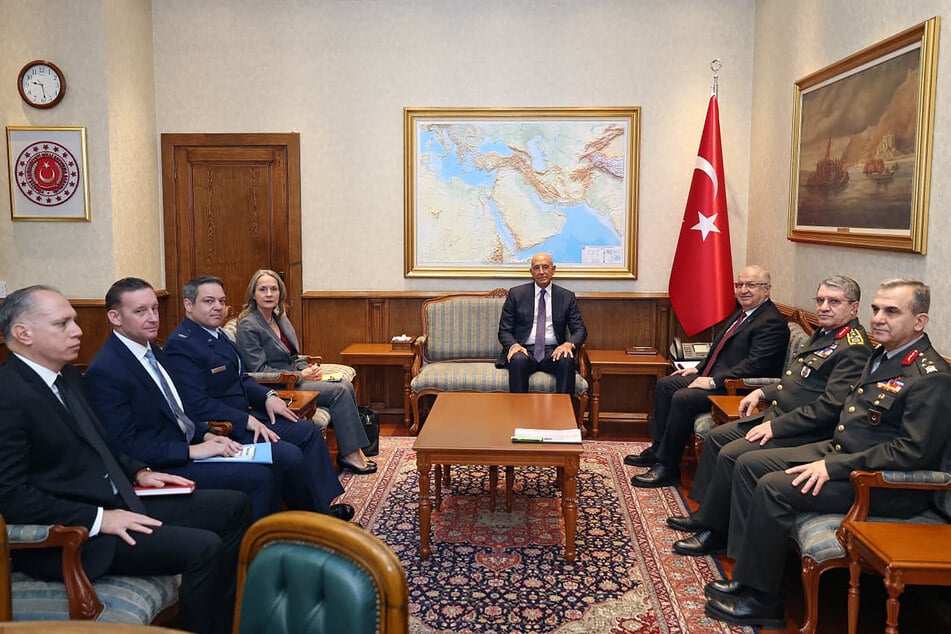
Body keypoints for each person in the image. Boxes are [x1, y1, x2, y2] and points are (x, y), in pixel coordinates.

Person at [0, 285, 252, 634]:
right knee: (204, 547)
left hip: (121, 497)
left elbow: (100, 443)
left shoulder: (67, 376)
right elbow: (12, 497)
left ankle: (226, 618)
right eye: (63, 324)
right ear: (22, 333)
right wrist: (100, 519)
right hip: (75, 535)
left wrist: (141, 471)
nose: (78, 330)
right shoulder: (8, 395)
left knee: (234, 506)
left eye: (75, 320)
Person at [703, 279, 951, 629]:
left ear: (920, 321)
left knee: (774, 488)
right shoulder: (882, 354)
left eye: (892, 311)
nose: (878, 318)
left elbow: (910, 452)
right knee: (750, 464)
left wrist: (833, 467)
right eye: (876, 309)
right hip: (840, 453)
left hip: (882, 487)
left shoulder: (929, 376)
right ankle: (748, 578)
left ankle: (764, 603)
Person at [85, 277, 326, 521]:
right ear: (115, 317)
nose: (153, 317)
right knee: (264, 472)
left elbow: (180, 409)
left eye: (155, 309)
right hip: (165, 462)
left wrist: (208, 435)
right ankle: (264, 547)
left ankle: (301, 526)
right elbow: (125, 446)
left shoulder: (153, 352)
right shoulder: (108, 370)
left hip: (201, 438)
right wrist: (193, 450)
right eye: (140, 311)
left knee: (290, 446)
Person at [666, 275, 872, 556]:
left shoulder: (854, 348)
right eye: (821, 300)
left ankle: (719, 536)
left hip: (801, 431)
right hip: (776, 413)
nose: (824, 307)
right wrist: (763, 392)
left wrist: (776, 427)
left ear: (854, 308)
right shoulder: (826, 334)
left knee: (733, 455)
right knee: (716, 438)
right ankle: (706, 518)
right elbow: (796, 378)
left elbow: (828, 408)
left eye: (834, 302)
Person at [162, 275, 354, 521]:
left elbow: (242, 378)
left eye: (221, 301)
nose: (218, 307)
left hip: (249, 414)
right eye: (209, 301)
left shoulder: (216, 335)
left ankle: (320, 511)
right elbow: (196, 404)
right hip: (224, 429)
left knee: (307, 432)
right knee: (288, 454)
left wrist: (269, 395)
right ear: (189, 305)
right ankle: (312, 518)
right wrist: (246, 421)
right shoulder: (182, 346)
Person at [627, 265, 789, 488]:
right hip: (717, 376)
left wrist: (713, 380)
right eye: (739, 284)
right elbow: (719, 349)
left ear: (767, 289)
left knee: (683, 397)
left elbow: (755, 365)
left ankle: (669, 466)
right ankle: (658, 449)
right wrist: (699, 368)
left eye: (751, 285)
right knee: (666, 384)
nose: (743, 290)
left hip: (738, 388)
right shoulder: (743, 313)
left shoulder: (771, 322)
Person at [234, 269, 374, 474]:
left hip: (294, 375)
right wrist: (300, 376)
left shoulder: (278, 317)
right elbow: (258, 371)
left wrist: (306, 368)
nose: (269, 294)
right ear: (253, 294)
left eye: (274, 289)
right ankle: (350, 453)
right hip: (277, 385)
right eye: (262, 289)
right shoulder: (249, 324)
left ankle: (352, 449)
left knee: (344, 384)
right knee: (340, 391)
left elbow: (291, 356)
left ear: (280, 293)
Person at [496, 252, 587, 394]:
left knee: (566, 358)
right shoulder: (516, 294)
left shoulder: (566, 297)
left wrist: (568, 344)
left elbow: (580, 330)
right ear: (531, 271)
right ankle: (519, 414)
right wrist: (514, 345)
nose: (541, 272)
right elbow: (504, 330)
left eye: (545, 267)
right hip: (524, 350)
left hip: (553, 351)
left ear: (553, 269)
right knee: (517, 359)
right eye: (536, 268)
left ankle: (563, 414)